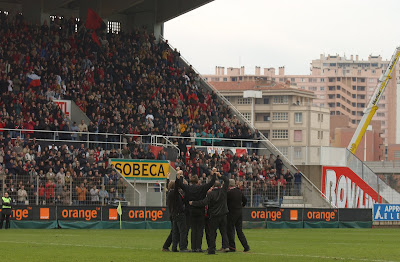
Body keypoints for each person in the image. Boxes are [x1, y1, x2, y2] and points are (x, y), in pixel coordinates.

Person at [189, 172, 229, 255]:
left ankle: (212, 249)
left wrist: (193, 203)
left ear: (213, 187)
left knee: (212, 233)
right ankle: (226, 246)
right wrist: (220, 176)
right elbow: (227, 180)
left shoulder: (211, 194)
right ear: (220, 186)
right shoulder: (223, 191)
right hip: (223, 214)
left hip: (214, 215)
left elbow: (203, 202)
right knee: (224, 231)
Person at [178, 168, 216, 252]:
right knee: (200, 230)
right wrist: (214, 174)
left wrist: (180, 175)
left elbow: (180, 184)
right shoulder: (202, 188)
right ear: (198, 181)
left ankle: (193, 247)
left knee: (193, 230)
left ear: (190, 181)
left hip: (191, 211)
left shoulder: (188, 188)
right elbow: (211, 183)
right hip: (200, 211)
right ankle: (198, 247)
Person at [167, 170, 190, 252]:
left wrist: (168, 178)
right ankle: (183, 247)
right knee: (183, 231)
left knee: (175, 232)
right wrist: (179, 176)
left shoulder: (170, 192)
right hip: (179, 213)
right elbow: (177, 185)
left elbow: (169, 186)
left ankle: (174, 247)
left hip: (174, 214)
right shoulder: (175, 193)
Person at [227, 179, 250, 252]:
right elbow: (245, 200)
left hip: (232, 213)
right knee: (239, 231)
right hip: (239, 212)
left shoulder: (229, 193)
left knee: (230, 230)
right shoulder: (239, 191)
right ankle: (246, 246)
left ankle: (232, 247)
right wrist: (242, 205)